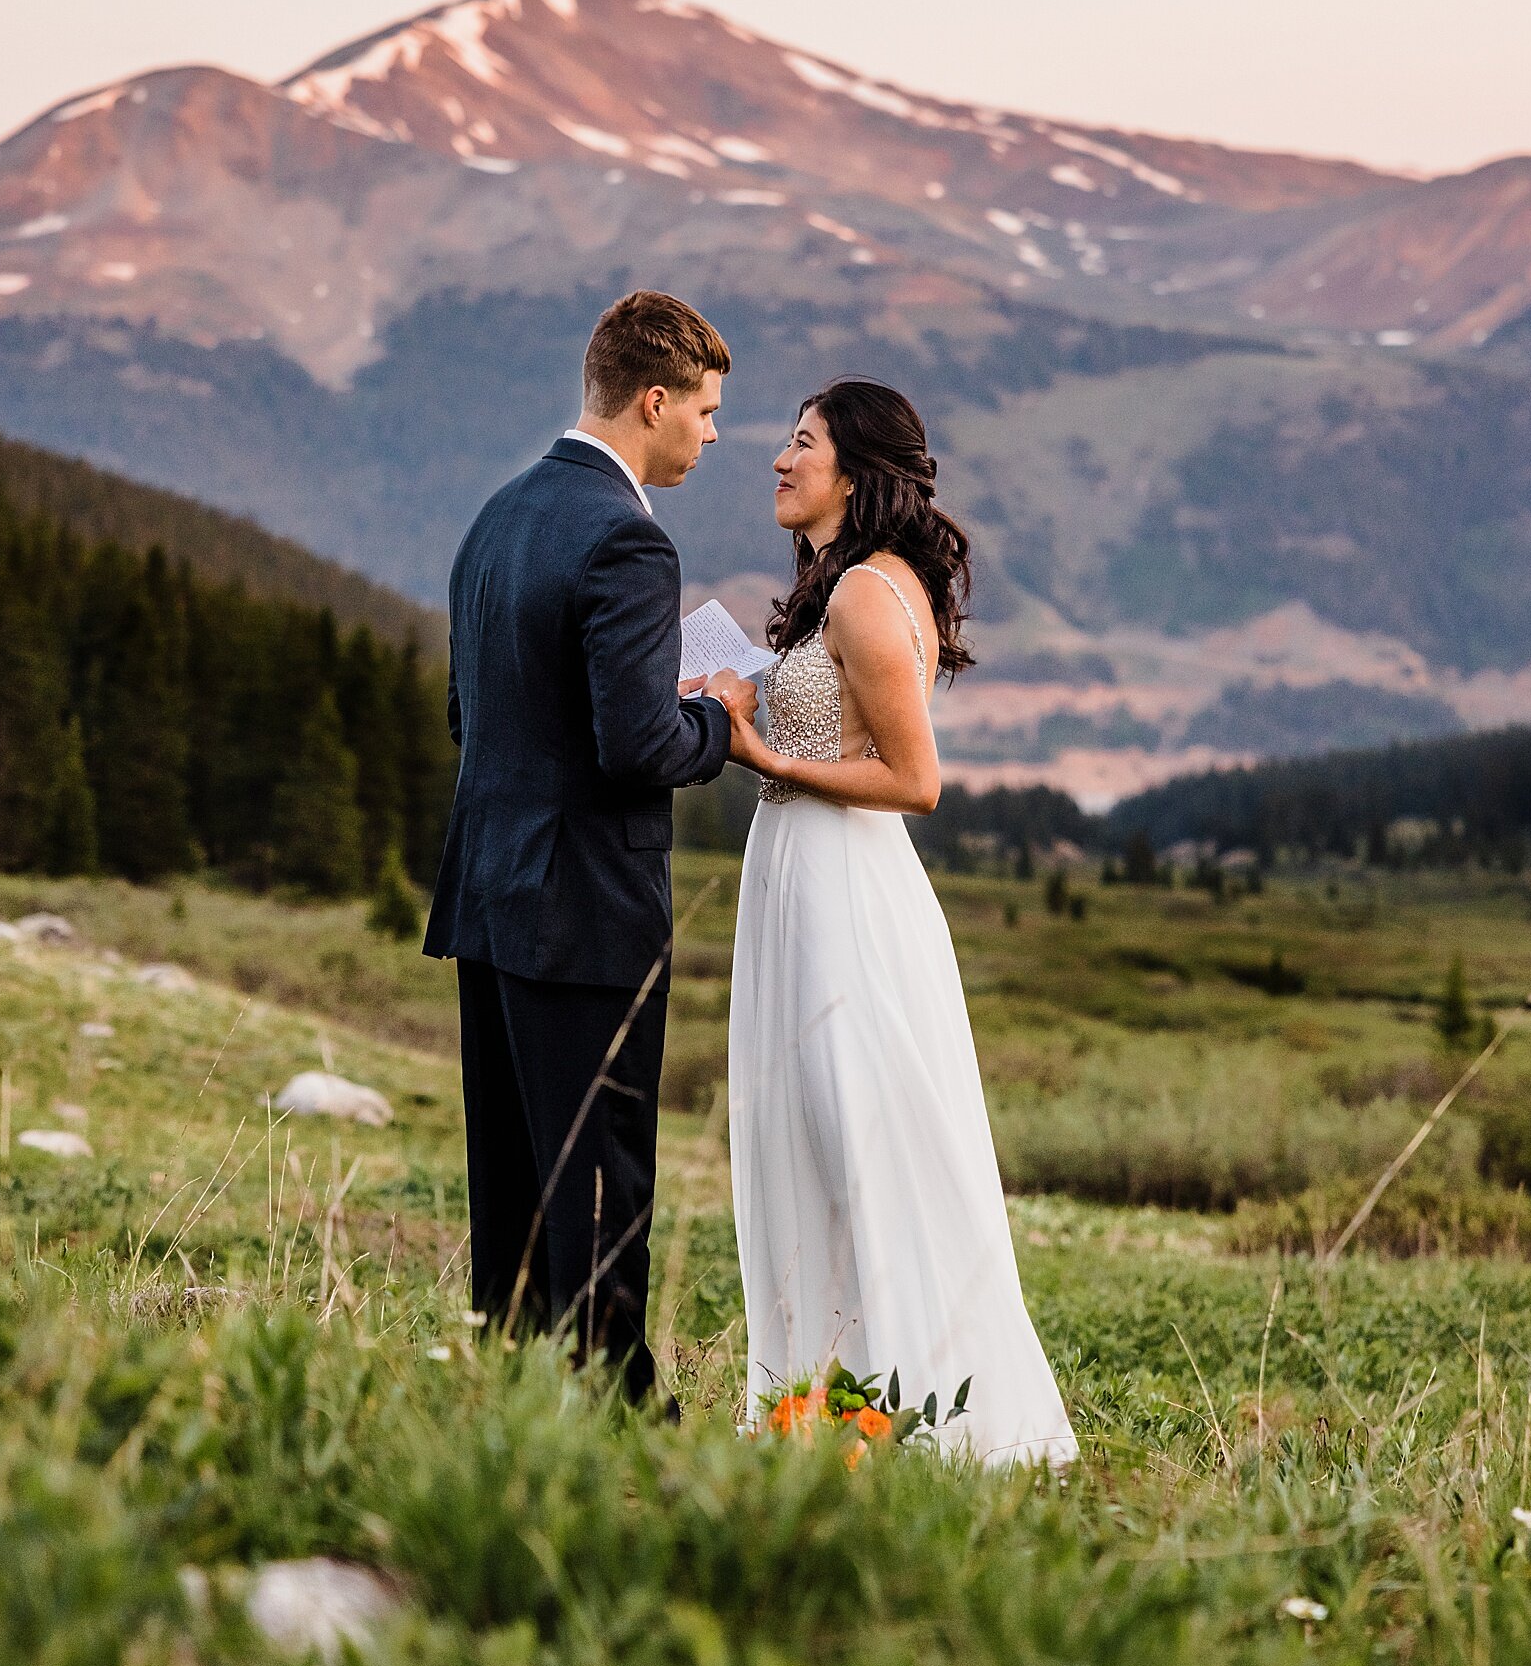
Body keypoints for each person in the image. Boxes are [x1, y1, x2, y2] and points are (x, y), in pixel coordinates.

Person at [721, 378, 1077, 1467]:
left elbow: (916, 779)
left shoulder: (869, 596)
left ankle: (924, 1416)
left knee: (861, 1144)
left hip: (844, 896)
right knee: (816, 1146)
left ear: (856, 469)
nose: (779, 460)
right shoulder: (847, 587)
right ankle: (838, 1410)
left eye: (801, 443)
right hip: (804, 878)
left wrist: (763, 752)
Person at [426, 290, 756, 1403]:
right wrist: (714, 716)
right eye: (705, 412)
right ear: (652, 400)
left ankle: (512, 1388)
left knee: (512, 1173)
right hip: (587, 914)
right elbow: (636, 747)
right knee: (604, 1175)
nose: (712, 435)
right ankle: (615, 1402)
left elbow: (472, 715)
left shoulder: (499, 513)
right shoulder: (626, 537)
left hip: (492, 894)